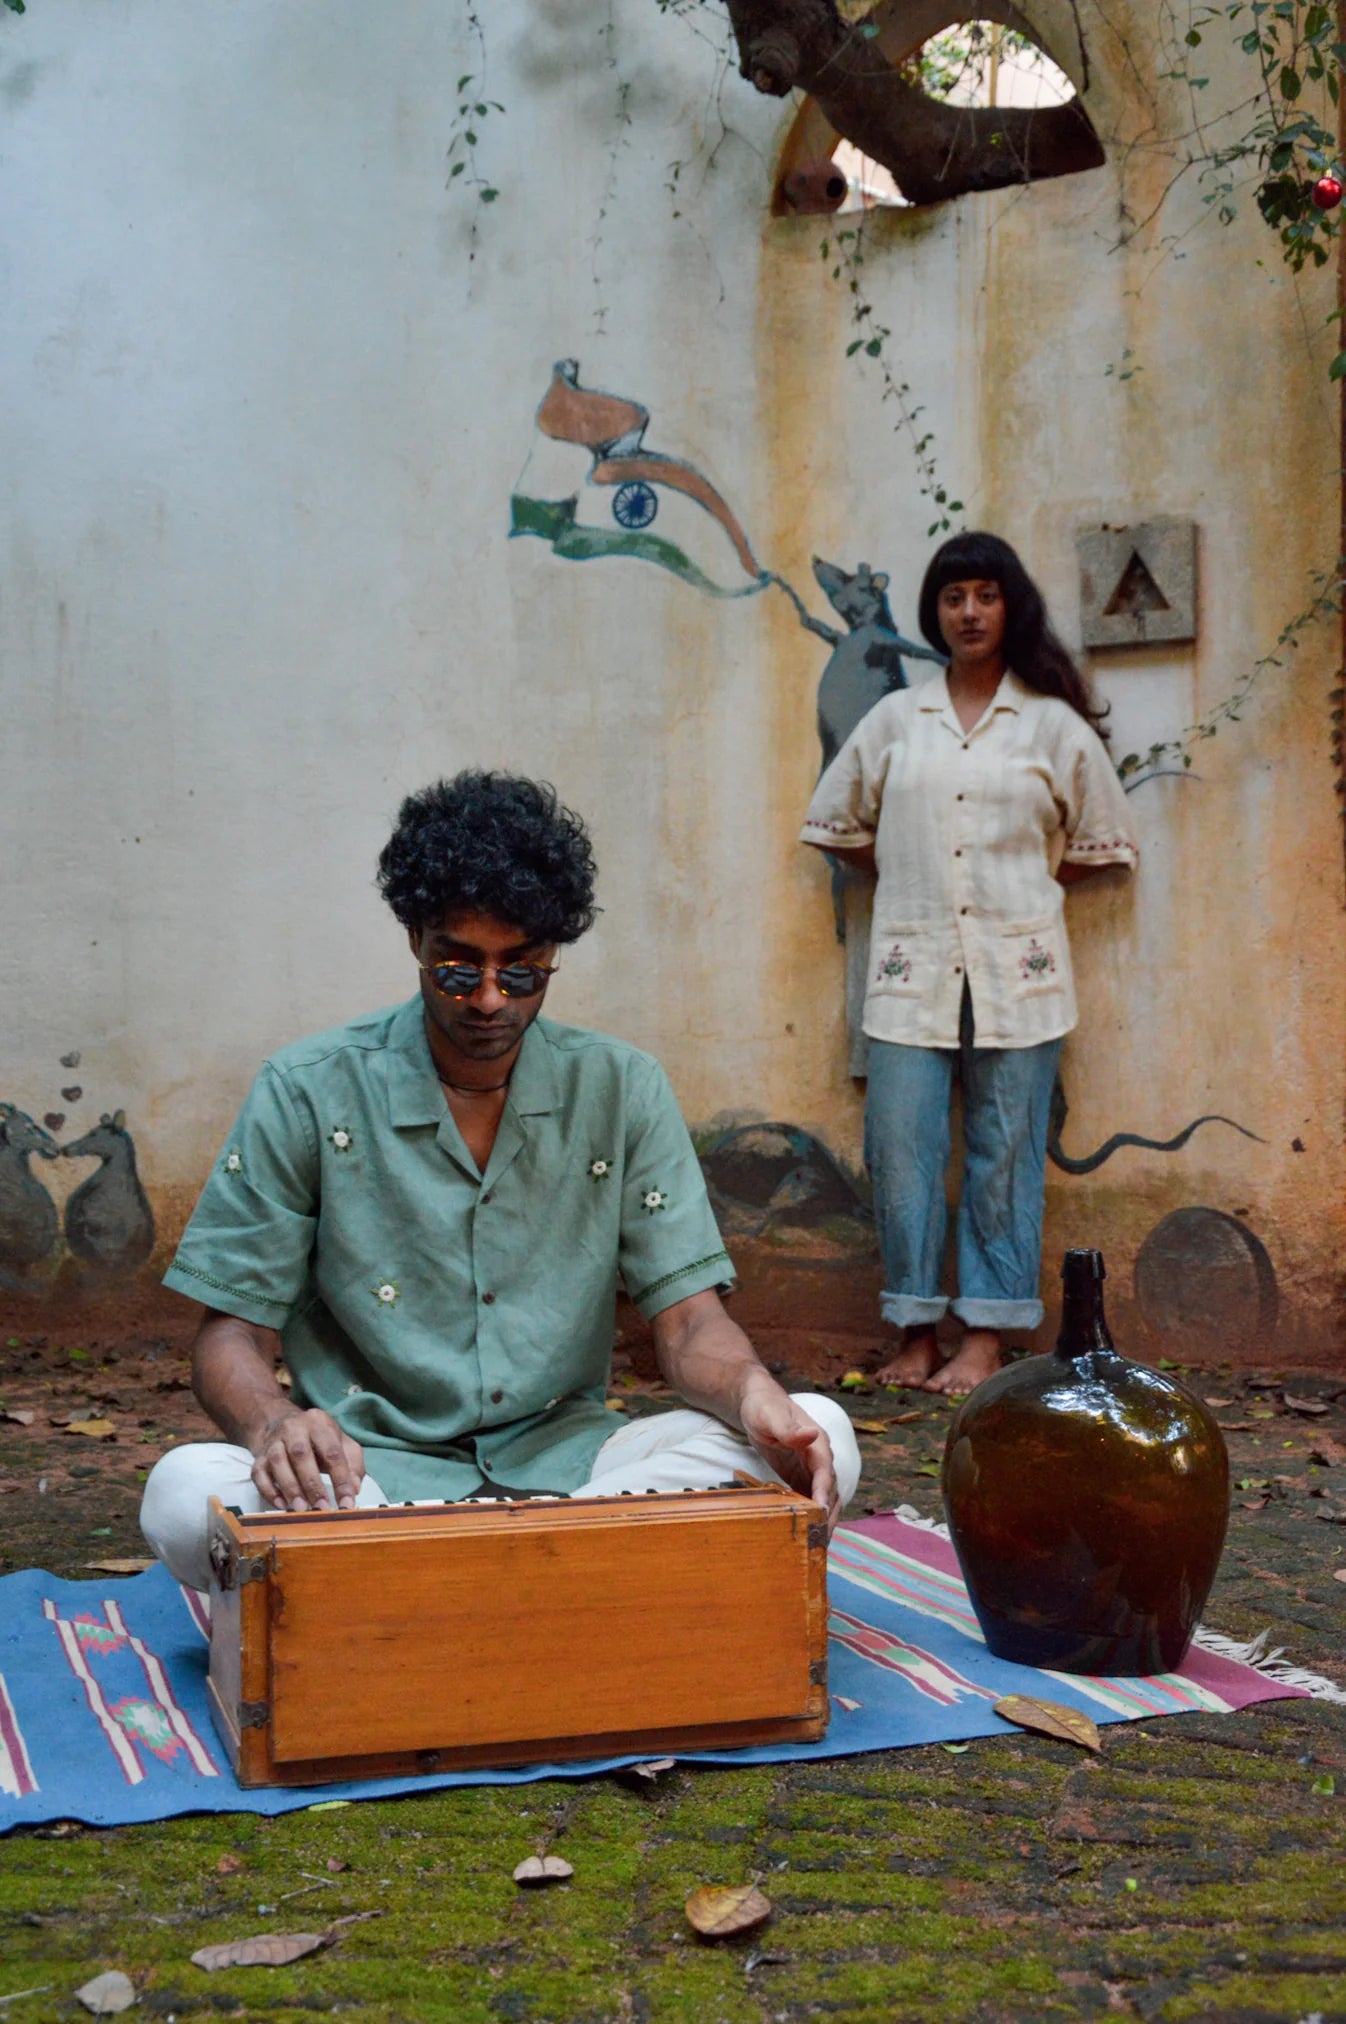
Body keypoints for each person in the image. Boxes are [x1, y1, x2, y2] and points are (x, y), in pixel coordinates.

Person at [142, 770, 859, 1590]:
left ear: (552, 955)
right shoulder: (307, 1089)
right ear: (415, 937)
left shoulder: (622, 1087)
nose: (488, 999)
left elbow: (691, 1323)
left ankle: (452, 1592)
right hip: (366, 1482)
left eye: (520, 972)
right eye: (458, 967)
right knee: (185, 1492)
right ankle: (567, 1589)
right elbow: (230, 1333)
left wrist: (752, 1391)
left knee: (820, 1432)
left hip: (581, 1471)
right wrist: (272, 1426)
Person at [799, 532, 1138, 1395]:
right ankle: (914, 1330)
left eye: (985, 594)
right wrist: (916, 877)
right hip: (912, 971)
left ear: (1008, 605)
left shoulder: (1050, 724)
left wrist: (1023, 884)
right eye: (953, 598)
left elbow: (1106, 843)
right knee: (903, 1149)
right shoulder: (895, 720)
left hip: (1018, 972)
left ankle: (985, 1337)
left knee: (1006, 1152)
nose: (970, 612)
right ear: (935, 614)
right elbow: (838, 826)